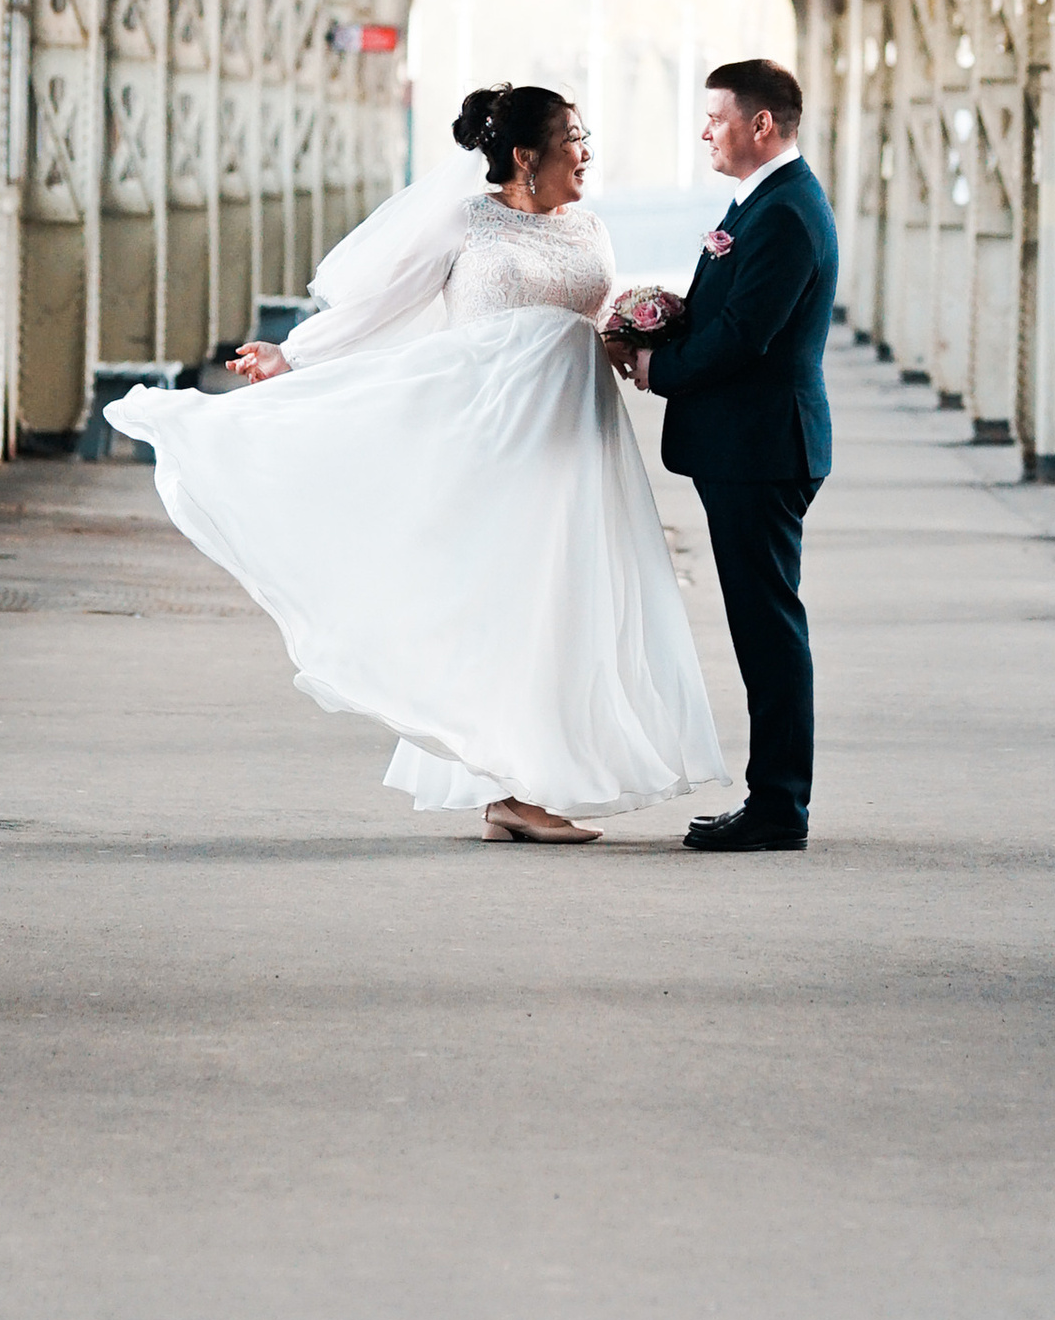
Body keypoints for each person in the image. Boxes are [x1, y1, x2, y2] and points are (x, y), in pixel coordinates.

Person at [99, 86, 728, 844]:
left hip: (576, 439)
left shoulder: (592, 229)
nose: (586, 150)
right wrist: (293, 353)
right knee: (504, 604)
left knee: (562, 603)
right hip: (490, 438)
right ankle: (513, 788)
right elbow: (383, 307)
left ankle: (517, 789)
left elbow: (589, 322)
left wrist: (634, 333)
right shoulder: (467, 224)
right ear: (525, 155)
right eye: (573, 136)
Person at [606, 58, 835, 853]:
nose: (705, 132)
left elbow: (746, 336)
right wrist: (670, 317)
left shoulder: (785, 211)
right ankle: (775, 798)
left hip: (763, 446)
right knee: (761, 623)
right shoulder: (766, 201)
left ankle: (778, 807)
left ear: (760, 124)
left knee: (768, 628)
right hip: (751, 444)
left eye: (716, 118)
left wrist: (654, 365)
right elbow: (731, 311)